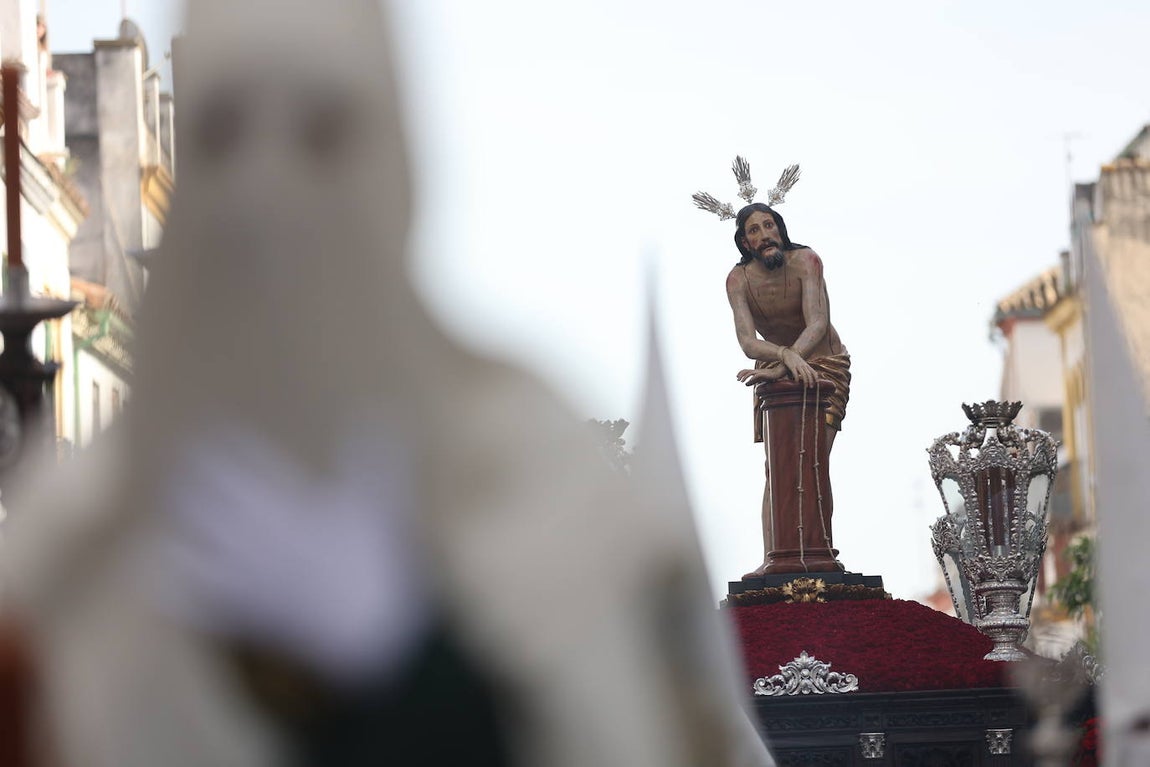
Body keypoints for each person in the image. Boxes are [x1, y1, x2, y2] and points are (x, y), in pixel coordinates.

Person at [725, 203, 850, 578]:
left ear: (780, 228)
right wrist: (782, 359)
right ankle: (775, 557)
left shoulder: (806, 262)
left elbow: (817, 322)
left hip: (824, 365)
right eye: (754, 230)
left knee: (813, 458)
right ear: (745, 242)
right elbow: (748, 342)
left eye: (769, 225)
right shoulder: (738, 280)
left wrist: (789, 360)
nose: (765, 235)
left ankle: (820, 552)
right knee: (776, 468)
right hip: (775, 371)